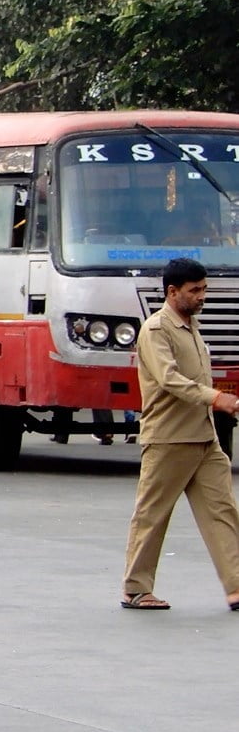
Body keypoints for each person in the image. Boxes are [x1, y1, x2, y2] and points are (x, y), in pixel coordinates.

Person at [120, 257, 239, 610]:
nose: (202, 296)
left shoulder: (190, 326)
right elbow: (171, 380)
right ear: (173, 292)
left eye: (204, 289)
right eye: (195, 291)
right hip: (169, 438)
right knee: (152, 515)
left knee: (222, 512)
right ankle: (135, 588)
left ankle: (236, 586)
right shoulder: (157, 329)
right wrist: (217, 398)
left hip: (203, 437)